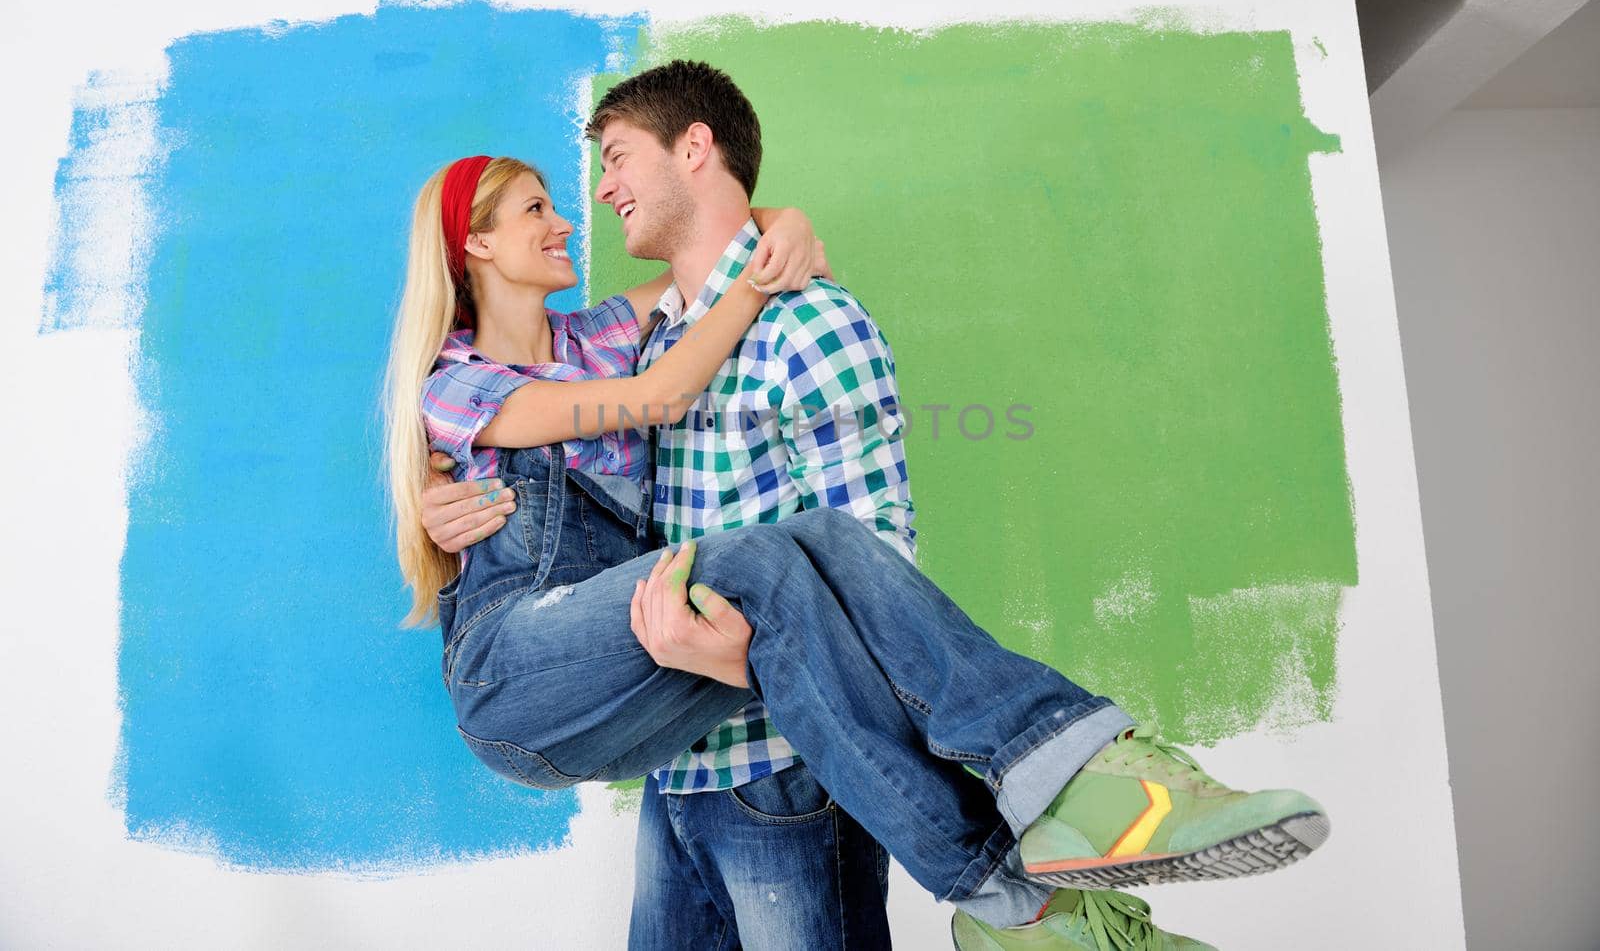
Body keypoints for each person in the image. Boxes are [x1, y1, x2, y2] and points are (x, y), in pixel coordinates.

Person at [393, 64, 1330, 951]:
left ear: (693, 149)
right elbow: (659, 399)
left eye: (613, 160)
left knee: (803, 545)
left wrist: (777, 223)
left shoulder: (636, 336)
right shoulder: (502, 379)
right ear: (472, 245)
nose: (587, 202)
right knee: (767, 554)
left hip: (732, 748)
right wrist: (448, 504)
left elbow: (874, 558)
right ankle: (1043, 837)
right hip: (551, 688)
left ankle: (1070, 796)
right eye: (543, 205)